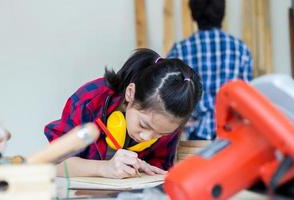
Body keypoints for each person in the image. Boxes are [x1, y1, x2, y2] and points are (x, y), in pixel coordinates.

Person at [44, 48, 202, 178]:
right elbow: (54, 165)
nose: (146, 137)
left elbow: (159, 170)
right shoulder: (89, 101)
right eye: (143, 125)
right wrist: (104, 168)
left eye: (160, 134)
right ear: (130, 93)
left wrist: (143, 170)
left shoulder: (169, 122)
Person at [167, 0, 253, 140]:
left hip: (195, 134)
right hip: (231, 133)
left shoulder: (180, 50)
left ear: (194, 15)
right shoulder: (241, 49)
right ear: (222, 14)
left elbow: (170, 95)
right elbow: (246, 98)